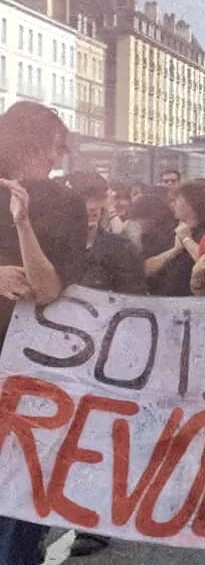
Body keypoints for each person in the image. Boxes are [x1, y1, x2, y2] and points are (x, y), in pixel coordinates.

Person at [0, 102, 87, 565]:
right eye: (51, 146)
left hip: (33, 373)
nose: (55, 158)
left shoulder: (67, 203)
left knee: (21, 506)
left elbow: (47, 287)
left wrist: (23, 223)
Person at [67, 173, 146, 296]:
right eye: (84, 199)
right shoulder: (52, 247)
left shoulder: (122, 249)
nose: (92, 207)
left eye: (98, 199)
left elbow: (133, 300)